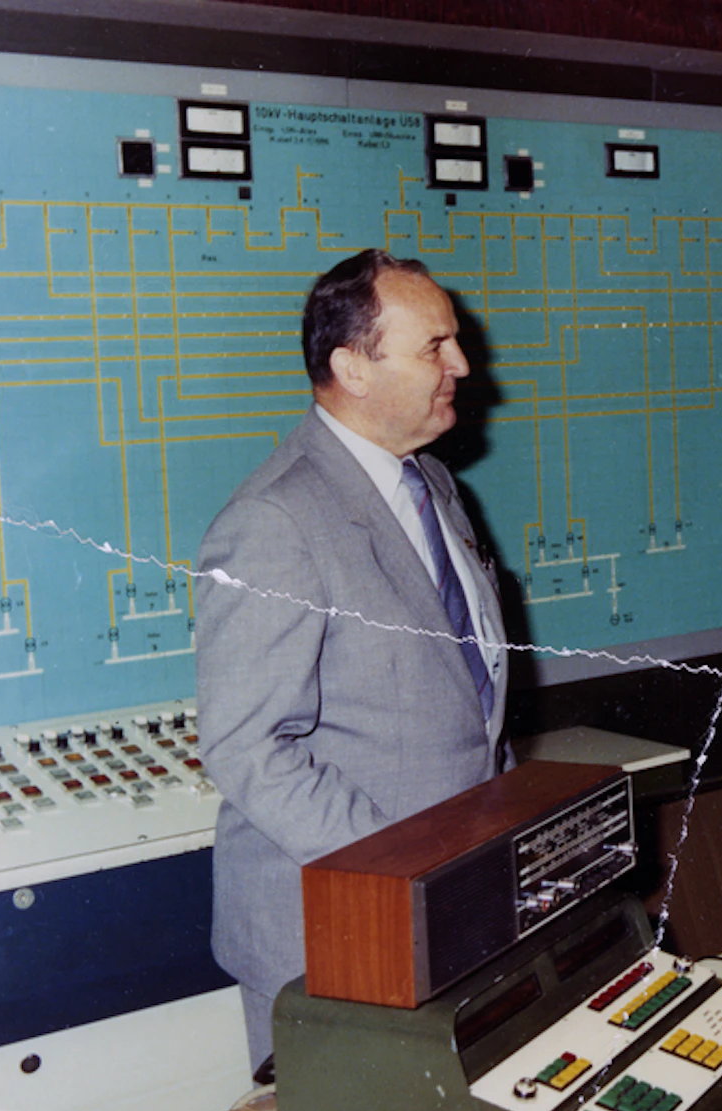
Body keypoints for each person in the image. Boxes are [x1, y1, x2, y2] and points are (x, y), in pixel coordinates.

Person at [195, 250, 511, 1069]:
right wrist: (407, 877)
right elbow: (247, 748)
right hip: (338, 937)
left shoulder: (433, 484)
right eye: (434, 346)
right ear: (352, 369)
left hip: (451, 909)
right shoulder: (275, 523)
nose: (461, 365)